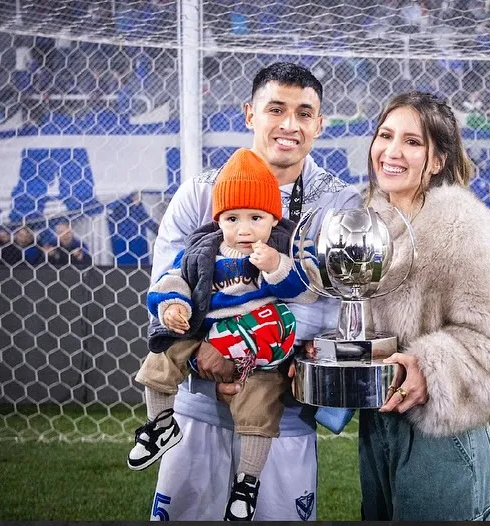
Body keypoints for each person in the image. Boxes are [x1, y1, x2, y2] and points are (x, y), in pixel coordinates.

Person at [144, 62, 362, 521]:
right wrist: (208, 355)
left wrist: (237, 349)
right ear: (249, 114)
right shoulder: (200, 192)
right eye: (276, 109)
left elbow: (336, 307)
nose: (289, 125)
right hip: (197, 402)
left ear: (320, 124)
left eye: (305, 113)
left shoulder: (338, 203)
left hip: (282, 410)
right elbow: (166, 282)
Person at [360, 91, 490, 520]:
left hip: (440, 428)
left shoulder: (464, 227)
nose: (392, 151)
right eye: (385, 135)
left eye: (412, 141)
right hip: (377, 427)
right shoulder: (366, 221)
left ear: (438, 160)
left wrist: (430, 368)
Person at [131, 148, 317, 521]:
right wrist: (172, 306)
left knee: (260, 406)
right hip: (203, 333)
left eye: (255, 217)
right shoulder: (204, 248)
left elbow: (308, 288)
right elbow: (173, 277)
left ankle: (247, 482)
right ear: (218, 219)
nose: (244, 229)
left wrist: (277, 266)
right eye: (232, 218)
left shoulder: (284, 245)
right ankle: (161, 424)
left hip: (258, 350)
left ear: (273, 218)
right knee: (161, 356)